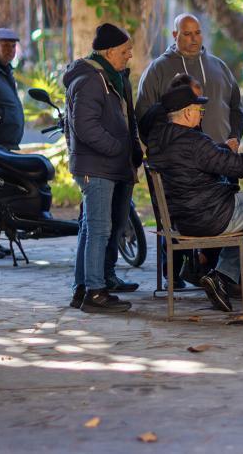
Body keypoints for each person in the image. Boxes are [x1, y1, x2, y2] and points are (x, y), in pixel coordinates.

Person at [145, 83, 243, 312]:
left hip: (184, 219)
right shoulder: (194, 141)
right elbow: (236, 166)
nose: (201, 114)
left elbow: (209, 159)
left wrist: (220, 150)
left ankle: (221, 278)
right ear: (187, 112)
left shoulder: (159, 141)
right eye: (199, 110)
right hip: (212, 216)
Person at [64, 23, 142, 313]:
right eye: (125, 51)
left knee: (92, 228)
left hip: (109, 165)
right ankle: (95, 293)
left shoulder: (113, 77)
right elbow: (85, 126)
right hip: (96, 166)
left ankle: (84, 287)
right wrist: (117, 147)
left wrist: (130, 147)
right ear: (108, 52)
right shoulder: (89, 79)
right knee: (99, 229)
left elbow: (126, 116)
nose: (129, 55)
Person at [137, 13, 243, 145]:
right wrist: (160, 150)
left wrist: (235, 137)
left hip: (223, 154)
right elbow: (144, 116)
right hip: (179, 159)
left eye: (198, 32)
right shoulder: (157, 70)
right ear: (175, 35)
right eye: (187, 34)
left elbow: (236, 108)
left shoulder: (220, 66)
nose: (194, 38)